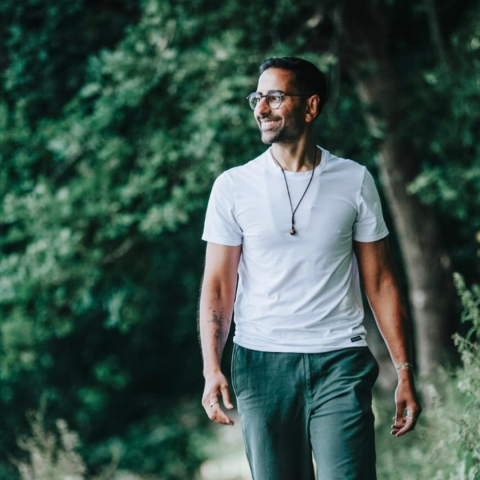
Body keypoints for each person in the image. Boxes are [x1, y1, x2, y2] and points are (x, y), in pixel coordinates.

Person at [198, 56, 421, 480]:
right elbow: (218, 287)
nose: (261, 109)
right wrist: (212, 369)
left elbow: (380, 282)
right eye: (257, 99)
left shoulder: (354, 180)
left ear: (311, 106)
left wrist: (405, 371)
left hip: (340, 360)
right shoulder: (233, 186)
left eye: (274, 97)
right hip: (261, 365)